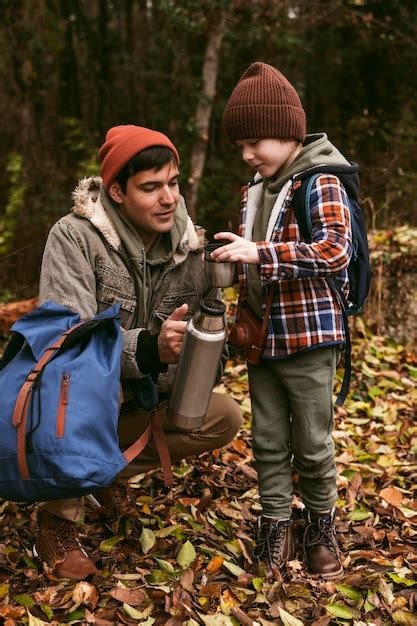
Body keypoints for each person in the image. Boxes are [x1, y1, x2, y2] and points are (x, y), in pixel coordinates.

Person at [35, 125, 243, 580]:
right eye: (150, 188)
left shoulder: (192, 250)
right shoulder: (74, 238)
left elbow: (208, 364)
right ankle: (56, 520)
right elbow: (66, 342)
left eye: (172, 183)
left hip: (139, 403)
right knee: (70, 385)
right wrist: (150, 348)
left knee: (223, 415)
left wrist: (210, 348)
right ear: (116, 191)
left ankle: (103, 474)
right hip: (76, 403)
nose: (168, 198)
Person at [211, 62, 353, 580]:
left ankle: (320, 526)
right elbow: (251, 259)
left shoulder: (321, 179)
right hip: (261, 337)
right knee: (268, 439)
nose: (248, 155)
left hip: (311, 335)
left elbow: (336, 250)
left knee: (313, 442)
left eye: (256, 142)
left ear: (289, 132)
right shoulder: (256, 188)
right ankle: (275, 525)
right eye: (241, 146)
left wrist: (261, 254)